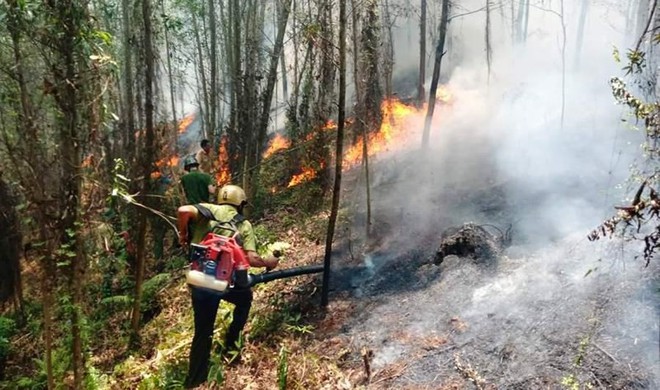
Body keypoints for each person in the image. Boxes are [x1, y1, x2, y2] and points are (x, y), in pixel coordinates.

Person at [177, 185, 279, 389]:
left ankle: (196, 381)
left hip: (200, 281)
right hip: (226, 283)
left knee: (202, 332)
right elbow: (252, 259)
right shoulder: (244, 224)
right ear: (240, 204)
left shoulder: (206, 211)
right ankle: (232, 343)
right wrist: (270, 262)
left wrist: (183, 235)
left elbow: (182, 211)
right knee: (245, 299)